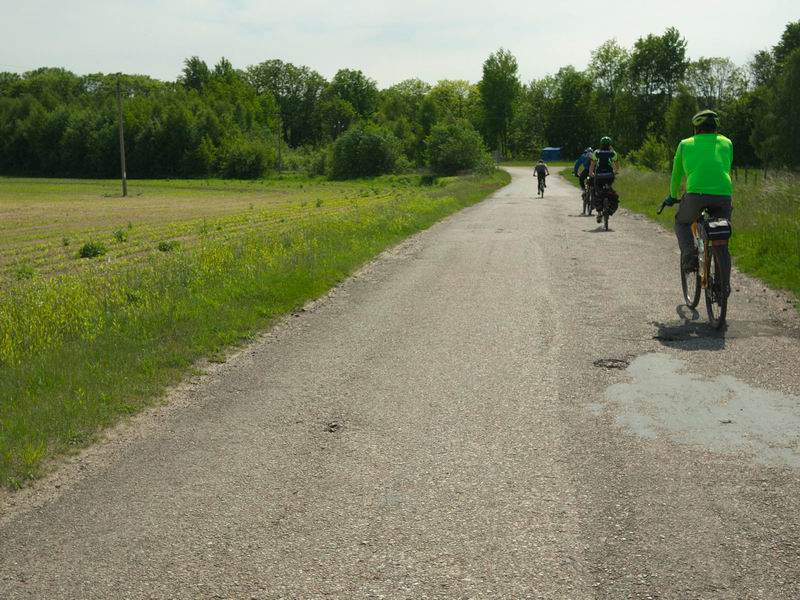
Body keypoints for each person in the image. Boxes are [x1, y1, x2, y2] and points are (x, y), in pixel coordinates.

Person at [663, 109, 733, 274]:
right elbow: (726, 167)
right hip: (723, 194)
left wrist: (672, 196)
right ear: (715, 128)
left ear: (696, 129)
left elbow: (676, 174)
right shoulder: (727, 143)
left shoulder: (685, 144)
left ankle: (689, 255)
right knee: (721, 240)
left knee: (682, 223)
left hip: (696, 195)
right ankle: (723, 284)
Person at [588, 137, 619, 222]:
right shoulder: (613, 153)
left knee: (597, 192)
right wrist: (615, 172)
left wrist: (591, 174)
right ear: (610, 144)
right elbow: (617, 167)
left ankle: (599, 213)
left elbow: (592, 165)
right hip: (609, 176)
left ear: (601, 144)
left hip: (599, 176)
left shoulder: (596, 152)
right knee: (610, 190)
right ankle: (609, 207)